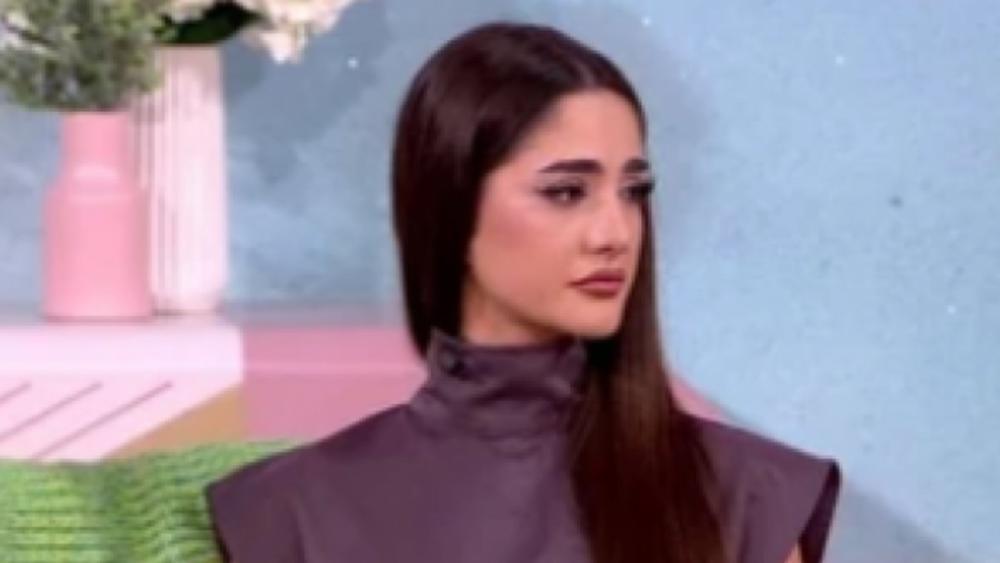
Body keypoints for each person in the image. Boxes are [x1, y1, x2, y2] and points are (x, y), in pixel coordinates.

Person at [206, 21, 841, 563]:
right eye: (566, 192)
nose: (616, 233)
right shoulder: (288, 513)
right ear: (449, 206)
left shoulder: (745, 496)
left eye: (633, 192)